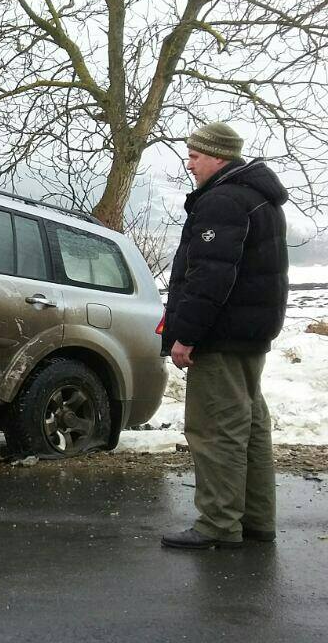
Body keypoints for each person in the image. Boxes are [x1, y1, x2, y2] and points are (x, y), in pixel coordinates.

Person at [160, 122, 289, 550]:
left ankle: (217, 524)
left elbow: (211, 277)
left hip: (221, 336)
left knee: (216, 430)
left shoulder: (223, 201)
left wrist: (186, 335)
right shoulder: (258, 199)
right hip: (250, 335)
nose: (189, 161)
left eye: (196, 155)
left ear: (219, 158)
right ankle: (255, 520)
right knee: (249, 427)